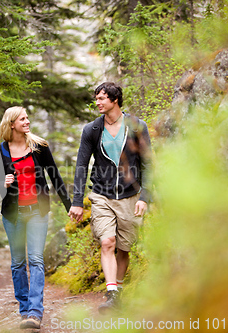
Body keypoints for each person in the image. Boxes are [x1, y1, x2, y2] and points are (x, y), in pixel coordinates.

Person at [68, 82, 152, 314]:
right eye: (96, 98)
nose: (98, 102)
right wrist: (77, 201)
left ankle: (119, 292)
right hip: (102, 195)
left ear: (115, 99)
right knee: (108, 242)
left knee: (124, 248)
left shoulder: (137, 126)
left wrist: (145, 196)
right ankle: (111, 292)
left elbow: (148, 164)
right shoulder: (92, 130)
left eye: (102, 98)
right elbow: (81, 166)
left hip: (130, 196)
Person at [0, 106, 71, 329]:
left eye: (27, 118)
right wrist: (1, 182)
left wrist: (70, 205)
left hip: (37, 213)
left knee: (36, 260)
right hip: (12, 216)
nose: (27, 121)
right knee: (18, 263)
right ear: (11, 124)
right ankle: (24, 310)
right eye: (22, 119)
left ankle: (35, 311)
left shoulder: (39, 147)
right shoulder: (1, 151)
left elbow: (55, 175)